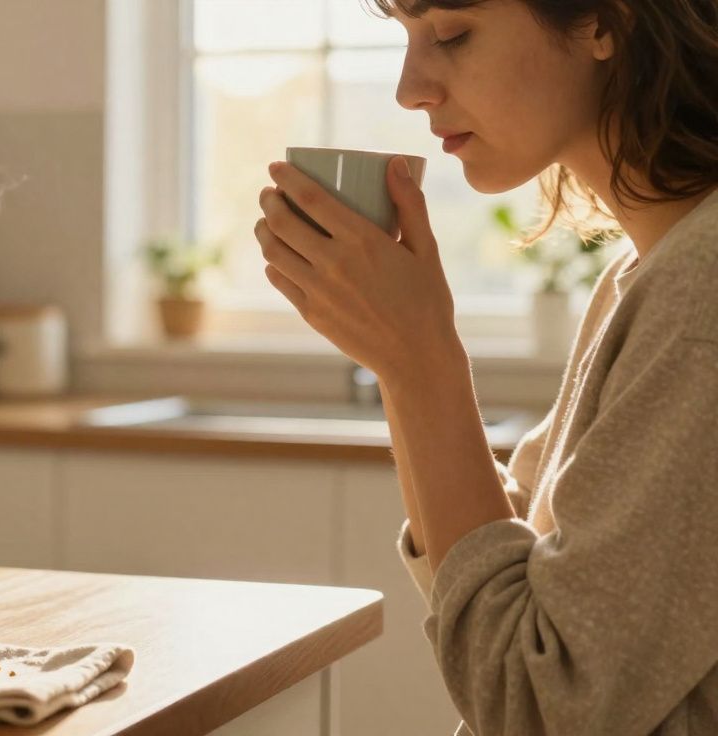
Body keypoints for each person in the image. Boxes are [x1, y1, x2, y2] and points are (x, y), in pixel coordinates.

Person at [254, 0, 718, 733]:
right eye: (407, 40)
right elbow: (512, 569)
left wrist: (420, 362)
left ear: (605, 20)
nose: (410, 89)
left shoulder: (703, 292)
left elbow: (538, 700)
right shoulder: (647, 272)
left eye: (449, 35)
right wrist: (400, 356)